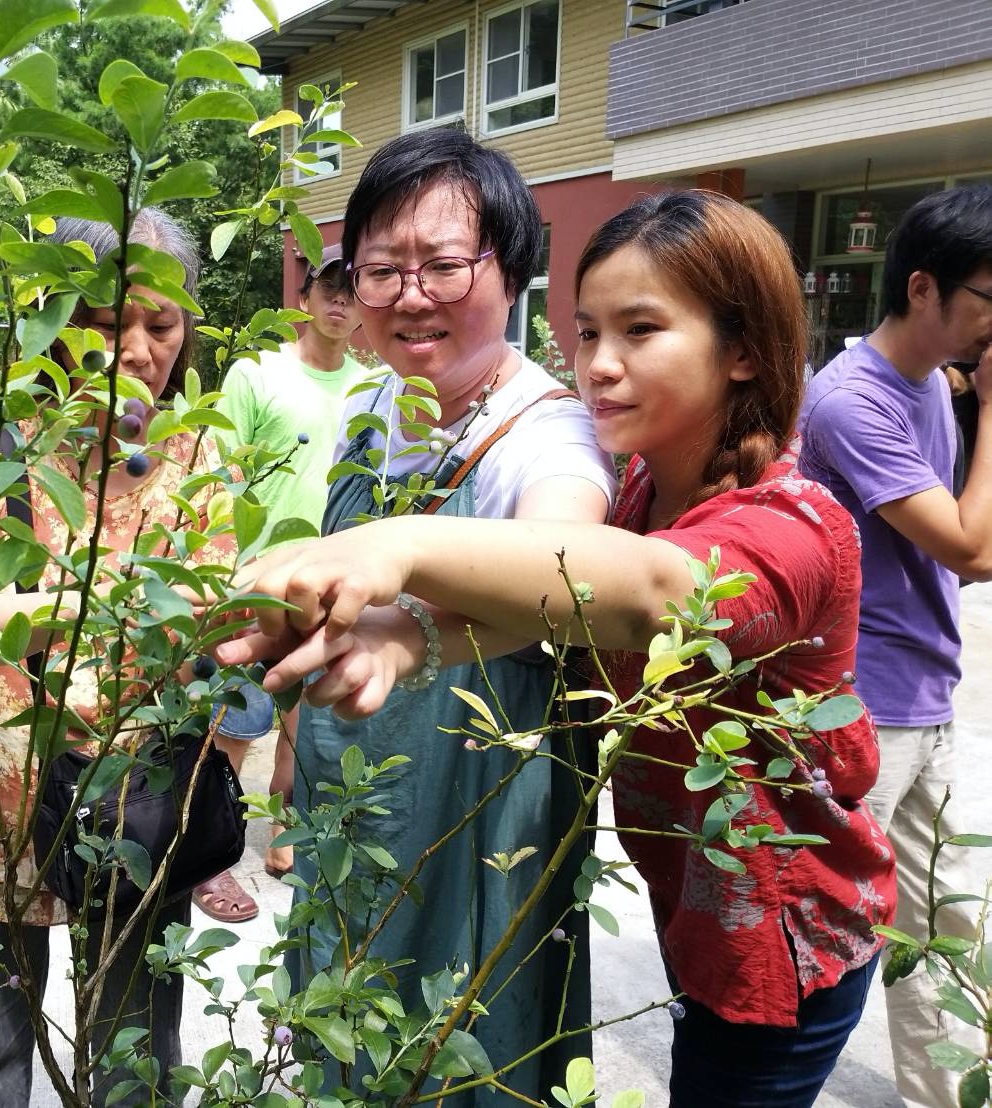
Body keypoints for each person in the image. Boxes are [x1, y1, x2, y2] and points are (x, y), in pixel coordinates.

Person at [220, 190, 896, 1106]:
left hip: (781, 935)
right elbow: (559, 607)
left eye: (640, 330)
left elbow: (643, 594)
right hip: (692, 907)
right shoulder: (645, 489)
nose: (599, 367)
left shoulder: (793, 527)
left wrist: (403, 546)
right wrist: (407, 637)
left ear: (743, 350)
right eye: (585, 333)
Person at [272, 128, 618, 1104]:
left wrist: (413, 584)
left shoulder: (545, 428)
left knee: (458, 1041)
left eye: (442, 264)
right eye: (381, 268)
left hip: (472, 813)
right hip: (353, 795)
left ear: (508, 270)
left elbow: (569, 566)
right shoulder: (371, 406)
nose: (409, 293)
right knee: (343, 1025)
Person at [0, 209, 231, 1107]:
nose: (134, 350)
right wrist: (116, 603)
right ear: (47, 326)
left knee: (136, 1063)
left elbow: (210, 622)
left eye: (159, 325)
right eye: (100, 324)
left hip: (136, 801)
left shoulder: (200, 455)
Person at [798, 184, 992, 1108]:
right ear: (923, 288)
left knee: (944, 929)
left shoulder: (929, 388)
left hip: (929, 695)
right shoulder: (847, 403)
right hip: (863, 710)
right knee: (821, 933)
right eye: (990, 299)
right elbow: (970, 545)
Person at [212, 242, 369, 893]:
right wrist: (222, 569)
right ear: (303, 297)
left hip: (331, 585)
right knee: (232, 726)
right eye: (328, 286)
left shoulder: (371, 386)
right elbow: (220, 474)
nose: (339, 300)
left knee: (301, 727)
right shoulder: (257, 372)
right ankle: (210, 849)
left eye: (352, 290)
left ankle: (281, 832)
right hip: (255, 580)